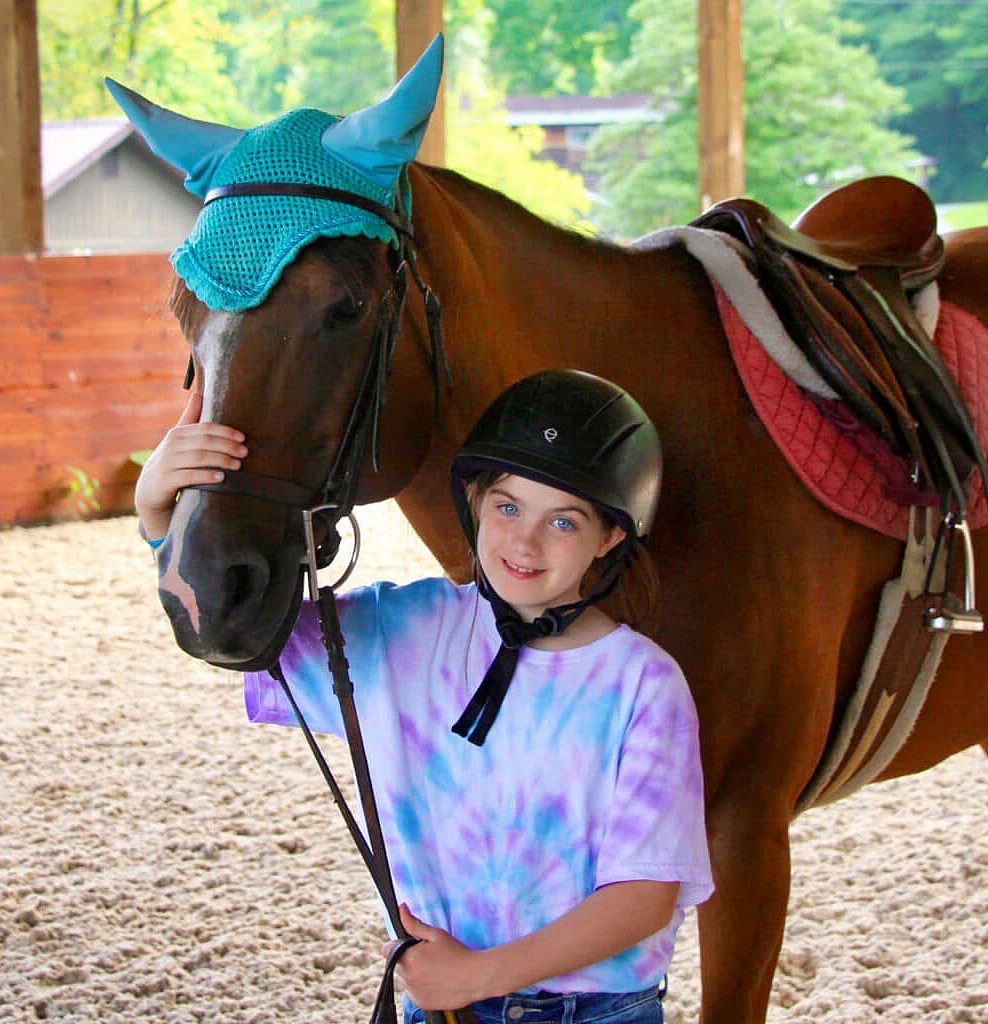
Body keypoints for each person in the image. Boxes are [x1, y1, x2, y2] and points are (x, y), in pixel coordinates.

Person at [135, 369, 713, 1024]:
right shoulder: (400, 629)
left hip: (593, 1012)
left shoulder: (645, 686)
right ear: (474, 501)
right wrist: (158, 514)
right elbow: (236, 627)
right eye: (507, 507)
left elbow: (643, 896)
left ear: (611, 535)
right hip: (439, 1007)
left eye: (563, 520)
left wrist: (473, 975)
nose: (524, 541)